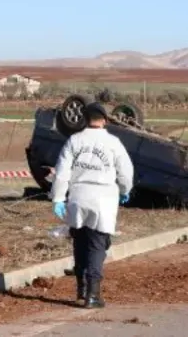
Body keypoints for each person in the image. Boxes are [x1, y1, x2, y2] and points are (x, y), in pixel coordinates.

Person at [50, 102, 134, 308]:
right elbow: (125, 172)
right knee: (97, 245)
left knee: (79, 242)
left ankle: (81, 288)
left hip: (78, 196)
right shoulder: (113, 142)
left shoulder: (74, 140)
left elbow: (61, 173)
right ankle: (93, 295)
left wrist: (58, 198)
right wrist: (125, 190)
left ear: (84, 119)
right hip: (103, 198)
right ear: (105, 120)